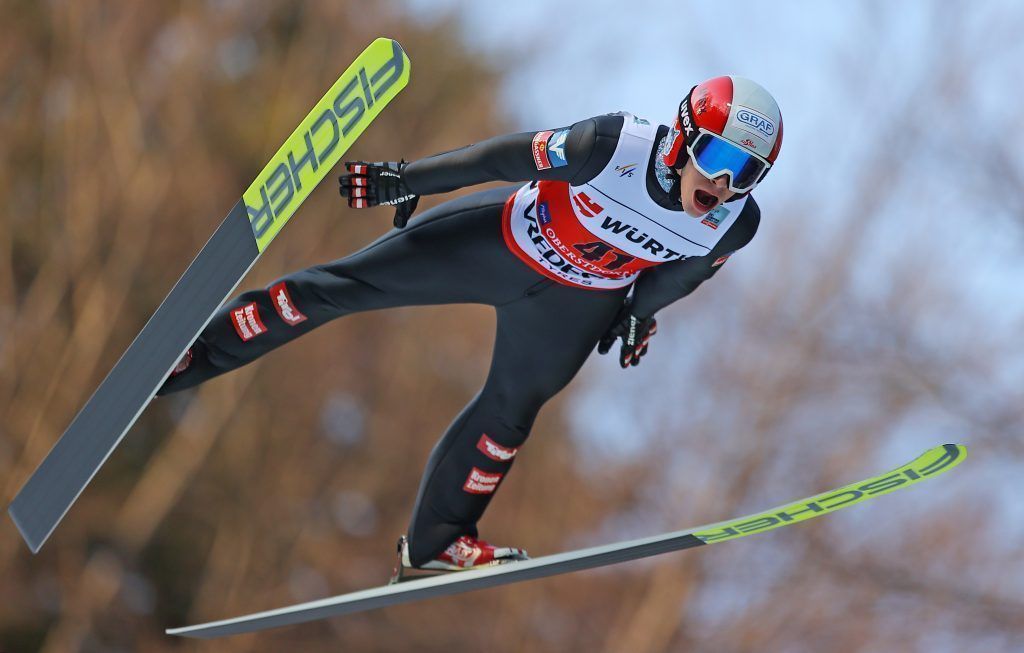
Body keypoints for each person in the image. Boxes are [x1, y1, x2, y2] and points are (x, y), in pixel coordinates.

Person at [158, 75, 783, 577]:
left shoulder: (734, 223)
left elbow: (679, 278)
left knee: (510, 415)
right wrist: (409, 179)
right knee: (341, 289)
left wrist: (639, 317)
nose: (723, 183)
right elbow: (500, 157)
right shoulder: (611, 145)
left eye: (747, 172)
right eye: (717, 157)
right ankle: (194, 353)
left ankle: (437, 542)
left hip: (575, 304)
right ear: (682, 137)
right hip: (501, 242)